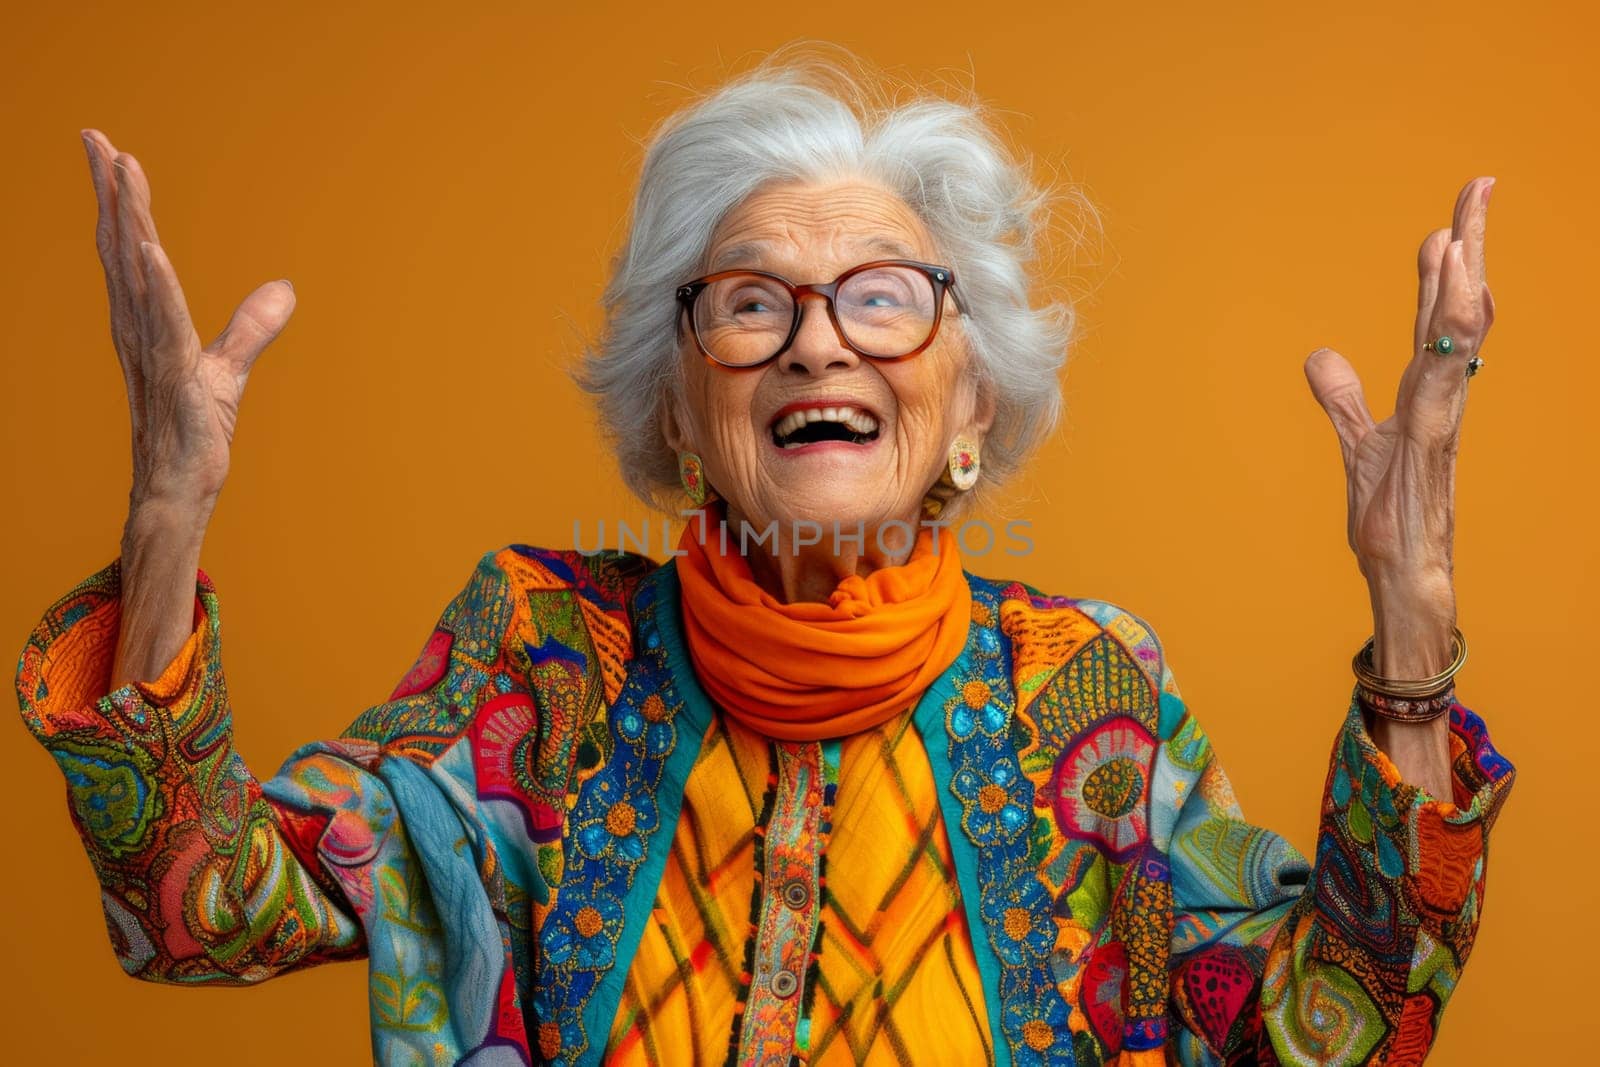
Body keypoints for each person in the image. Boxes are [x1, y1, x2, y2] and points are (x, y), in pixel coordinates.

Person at [15, 55, 1513, 1066]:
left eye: (880, 297)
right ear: (678, 403)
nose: (815, 339)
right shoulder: (546, 654)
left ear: (971, 400)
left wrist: (1412, 627)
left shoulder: (1087, 689)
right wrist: (164, 520)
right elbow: (197, 910)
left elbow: (1338, 1030)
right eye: (749, 302)